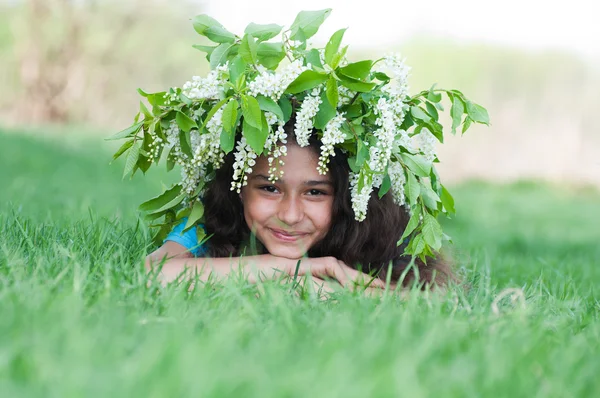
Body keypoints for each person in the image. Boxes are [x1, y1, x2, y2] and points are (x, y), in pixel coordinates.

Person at [146, 115, 452, 293]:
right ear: (239, 188)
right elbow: (152, 273)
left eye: (315, 193)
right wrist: (294, 268)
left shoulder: (374, 231)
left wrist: (323, 289)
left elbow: (434, 302)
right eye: (269, 188)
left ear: (346, 196)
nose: (290, 216)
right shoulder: (212, 225)